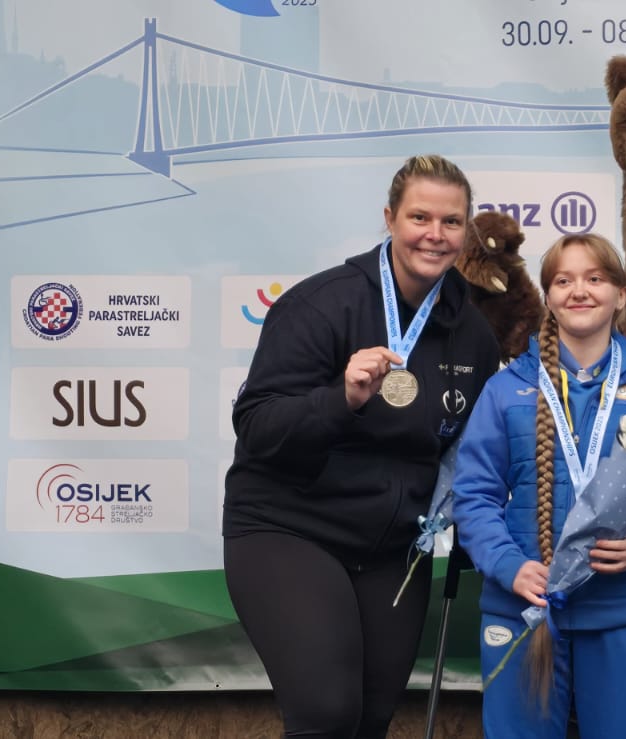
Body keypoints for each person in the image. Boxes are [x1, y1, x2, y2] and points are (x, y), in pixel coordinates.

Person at [223, 154, 501, 738]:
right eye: (419, 217)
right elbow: (257, 427)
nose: (434, 234)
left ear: (466, 231)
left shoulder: (473, 331)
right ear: (390, 218)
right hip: (291, 528)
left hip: (393, 548)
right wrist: (341, 399)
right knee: (326, 713)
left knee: (371, 720)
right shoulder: (323, 304)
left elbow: (468, 450)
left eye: (451, 222)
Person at [451, 232, 626, 739]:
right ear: (548, 297)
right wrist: (509, 566)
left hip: (625, 610)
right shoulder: (507, 389)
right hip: (523, 608)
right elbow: (474, 496)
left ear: (622, 294)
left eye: (595, 278)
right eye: (564, 280)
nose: (579, 291)